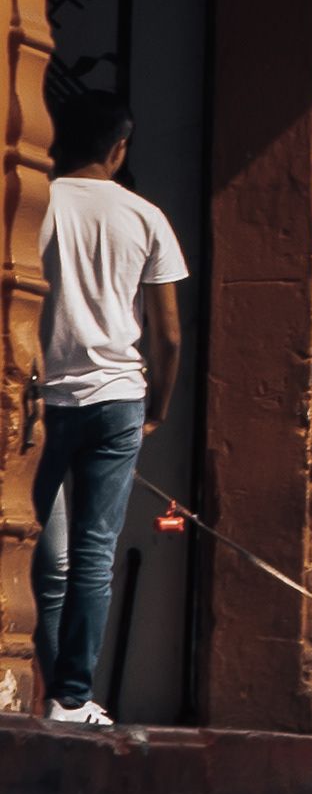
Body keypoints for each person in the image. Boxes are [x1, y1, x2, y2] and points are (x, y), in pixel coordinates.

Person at [32, 83, 184, 726]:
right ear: (120, 147)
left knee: (44, 552)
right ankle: (71, 698)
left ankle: (47, 687)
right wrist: (159, 408)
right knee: (93, 556)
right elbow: (169, 334)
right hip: (118, 400)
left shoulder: (35, 201)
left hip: (40, 401)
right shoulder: (146, 216)